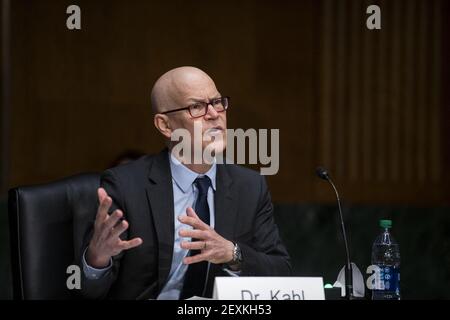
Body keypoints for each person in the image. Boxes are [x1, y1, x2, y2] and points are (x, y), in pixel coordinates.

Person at [79, 66, 291, 299]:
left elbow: (281, 270)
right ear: (165, 125)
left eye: (217, 102)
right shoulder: (125, 186)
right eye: (197, 107)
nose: (214, 114)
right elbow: (88, 292)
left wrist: (232, 253)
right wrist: (97, 259)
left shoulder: (250, 186)